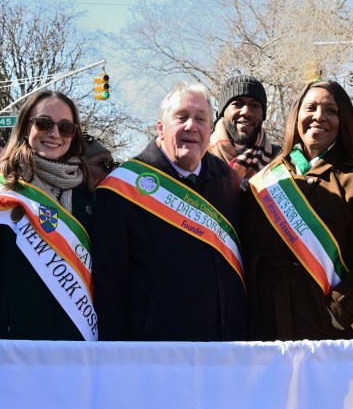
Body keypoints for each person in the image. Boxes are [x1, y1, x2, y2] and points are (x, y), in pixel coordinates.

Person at [93, 81, 247, 341]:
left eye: (201, 119)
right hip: (156, 355)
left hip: (224, 350)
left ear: (210, 129)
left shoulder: (229, 182)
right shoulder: (123, 188)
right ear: (161, 128)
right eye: (181, 117)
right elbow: (109, 286)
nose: (191, 126)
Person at [244, 80, 353, 340]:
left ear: (343, 119)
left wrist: (337, 311)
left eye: (331, 111)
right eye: (310, 107)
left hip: (327, 329)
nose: (318, 117)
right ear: (297, 115)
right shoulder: (267, 177)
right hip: (265, 322)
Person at [0, 91, 95, 340]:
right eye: (44, 123)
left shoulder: (88, 196)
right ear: (25, 126)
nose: (55, 133)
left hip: (77, 346)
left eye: (65, 127)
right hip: (14, 349)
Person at [209, 75, 280, 186]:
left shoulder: (277, 159)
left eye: (255, 105)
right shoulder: (200, 154)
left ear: (263, 115)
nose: (246, 112)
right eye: (237, 104)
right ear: (222, 112)